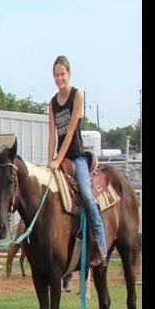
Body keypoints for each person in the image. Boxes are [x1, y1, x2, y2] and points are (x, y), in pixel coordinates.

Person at [48, 55, 107, 268]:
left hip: (76, 156)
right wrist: (50, 161)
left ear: (69, 74)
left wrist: (58, 159)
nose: (59, 78)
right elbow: (52, 136)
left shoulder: (76, 96)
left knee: (88, 198)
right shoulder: (52, 103)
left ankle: (101, 246)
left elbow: (71, 132)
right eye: (56, 75)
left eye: (62, 74)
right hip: (59, 159)